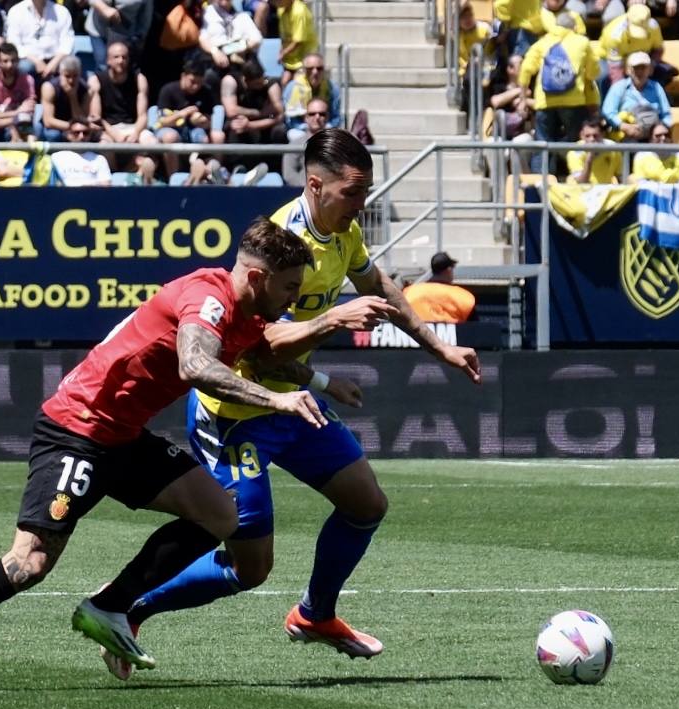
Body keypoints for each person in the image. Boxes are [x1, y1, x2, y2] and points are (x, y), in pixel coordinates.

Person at [0, 218, 328, 692]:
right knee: (28, 564)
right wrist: (276, 399)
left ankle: (111, 604)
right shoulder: (208, 298)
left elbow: (254, 355)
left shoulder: (247, 311)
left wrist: (321, 382)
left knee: (219, 514)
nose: (294, 297)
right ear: (257, 277)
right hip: (77, 429)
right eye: (290, 286)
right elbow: (195, 364)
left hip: (124, 436)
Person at [96, 129, 481, 680]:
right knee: (250, 568)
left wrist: (439, 346)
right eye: (352, 192)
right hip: (235, 413)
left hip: (291, 402)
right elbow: (258, 345)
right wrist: (331, 321)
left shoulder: (344, 233)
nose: (361, 203)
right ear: (315, 184)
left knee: (366, 504)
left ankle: (315, 614)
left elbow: (385, 287)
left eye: (366, 191)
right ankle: (131, 606)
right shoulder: (279, 243)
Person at [519, 13, 597, 170]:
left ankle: (541, 184)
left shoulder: (543, 42)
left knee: (543, 143)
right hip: (573, 101)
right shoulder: (582, 42)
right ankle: (575, 175)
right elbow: (593, 73)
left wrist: (522, 97)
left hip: (545, 101)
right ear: (574, 27)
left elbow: (526, 68)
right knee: (577, 143)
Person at [89, 40, 157, 178]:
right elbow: (96, 117)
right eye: (116, 57)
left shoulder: (139, 79)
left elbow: (143, 116)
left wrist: (136, 133)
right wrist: (114, 134)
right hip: (108, 128)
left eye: (124, 57)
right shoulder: (96, 80)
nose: (121, 61)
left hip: (133, 126)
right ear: (108, 60)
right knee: (104, 145)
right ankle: (113, 178)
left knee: (151, 142)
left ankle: (139, 178)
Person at [154, 58, 224, 179]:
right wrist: (182, 114)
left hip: (195, 131)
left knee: (211, 137)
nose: (196, 86)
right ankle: (173, 179)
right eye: (192, 82)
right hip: (171, 128)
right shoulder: (168, 90)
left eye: (199, 83)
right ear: (183, 76)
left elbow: (209, 120)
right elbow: (162, 121)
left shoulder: (205, 92)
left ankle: (212, 175)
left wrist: (201, 121)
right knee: (170, 137)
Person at [601, 50, 672, 141]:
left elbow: (666, 114)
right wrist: (623, 126)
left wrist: (660, 129)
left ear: (650, 70)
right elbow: (608, 112)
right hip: (625, 137)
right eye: (636, 68)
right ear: (628, 70)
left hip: (653, 138)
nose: (639, 72)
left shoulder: (657, 87)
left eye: (643, 68)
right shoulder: (618, 87)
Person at [4, 0, 74, 81]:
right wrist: (36, 61)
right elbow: (14, 43)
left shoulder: (62, 12)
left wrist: (53, 63)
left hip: (56, 59)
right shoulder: (16, 11)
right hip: (28, 59)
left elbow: (67, 42)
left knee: (71, 65)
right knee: (24, 67)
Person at [404, 251, 477, 323]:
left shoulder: (410, 292)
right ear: (449, 269)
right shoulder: (462, 296)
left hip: (414, 333)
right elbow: (475, 328)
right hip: (451, 334)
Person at [283, 52, 340, 136]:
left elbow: (336, 116)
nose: (315, 72)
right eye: (310, 68)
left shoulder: (332, 88)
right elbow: (289, 119)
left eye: (319, 68)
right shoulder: (292, 88)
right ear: (304, 70)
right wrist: (308, 128)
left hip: (326, 128)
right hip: (299, 129)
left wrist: (325, 127)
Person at [38, 55, 92, 142]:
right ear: (60, 74)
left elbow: (81, 120)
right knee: (53, 135)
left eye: (75, 76)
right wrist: (73, 127)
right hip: (56, 126)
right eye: (67, 76)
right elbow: (48, 121)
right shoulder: (49, 87)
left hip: (75, 127)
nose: (71, 80)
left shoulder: (85, 89)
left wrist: (73, 97)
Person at [199, 0, 262, 71]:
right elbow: (203, 39)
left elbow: (257, 39)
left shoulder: (243, 16)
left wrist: (241, 49)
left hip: (239, 58)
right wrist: (215, 51)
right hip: (216, 59)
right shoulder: (208, 13)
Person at [281, 96, 326, 186]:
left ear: (327, 117)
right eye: (312, 114)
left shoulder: (337, 144)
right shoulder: (295, 145)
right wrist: (307, 189)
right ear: (306, 117)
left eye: (322, 114)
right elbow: (288, 174)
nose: (317, 117)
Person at [49, 119, 111, 185]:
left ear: (90, 135)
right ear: (68, 135)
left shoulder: (99, 159)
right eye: (76, 133)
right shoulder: (56, 157)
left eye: (85, 133)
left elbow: (106, 186)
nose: (81, 136)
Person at [566, 117, 623, 183]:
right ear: (581, 135)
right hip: (581, 191)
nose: (592, 139)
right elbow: (582, 182)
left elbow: (620, 176)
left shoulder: (613, 148)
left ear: (603, 134)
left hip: (606, 191)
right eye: (587, 136)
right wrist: (589, 160)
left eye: (595, 136)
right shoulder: (574, 152)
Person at [273, 0, 317, 83]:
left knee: (298, 83)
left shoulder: (300, 11)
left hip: (305, 57)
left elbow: (298, 41)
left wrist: (283, 53)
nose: (276, 2)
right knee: (284, 82)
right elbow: (284, 35)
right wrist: (282, 49)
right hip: (290, 59)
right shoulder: (281, 10)